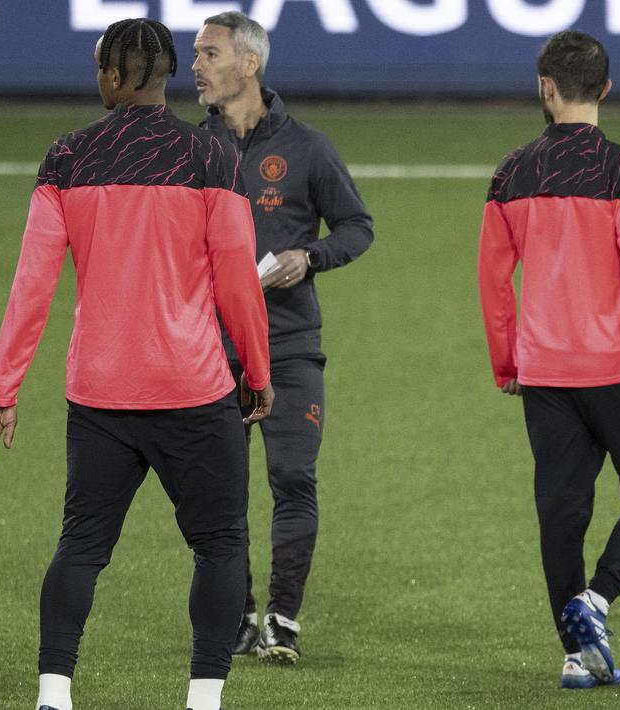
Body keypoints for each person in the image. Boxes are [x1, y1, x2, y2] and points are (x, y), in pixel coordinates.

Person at [0, 18, 272, 710]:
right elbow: (236, 283)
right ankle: (203, 701)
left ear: (111, 74)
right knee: (221, 543)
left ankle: (54, 694)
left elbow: (32, 287)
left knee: (80, 545)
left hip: (101, 394)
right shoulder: (209, 157)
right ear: (165, 74)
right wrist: (255, 373)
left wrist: (2, 391)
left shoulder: (67, 159)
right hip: (195, 391)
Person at [477, 30, 620, 690]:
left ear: (544, 88)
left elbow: (492, 280)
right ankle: (593, 602)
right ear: (606, 89)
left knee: (561, 512)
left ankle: (574, 653)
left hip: (544, 372)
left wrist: (507, 362)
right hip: (618, 368)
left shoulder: (512, 172)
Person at [191, 11, 374, 664]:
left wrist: (310, 257)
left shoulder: (307, 148)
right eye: (194, 54)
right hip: (211, 350)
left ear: (249, 64)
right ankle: (238, 615)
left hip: (290, 345)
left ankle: (282, 620)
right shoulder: (193, 151)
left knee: (293, 477)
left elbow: (356, 225)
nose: (196, 66)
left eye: (209, 54)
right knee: (222, 491)